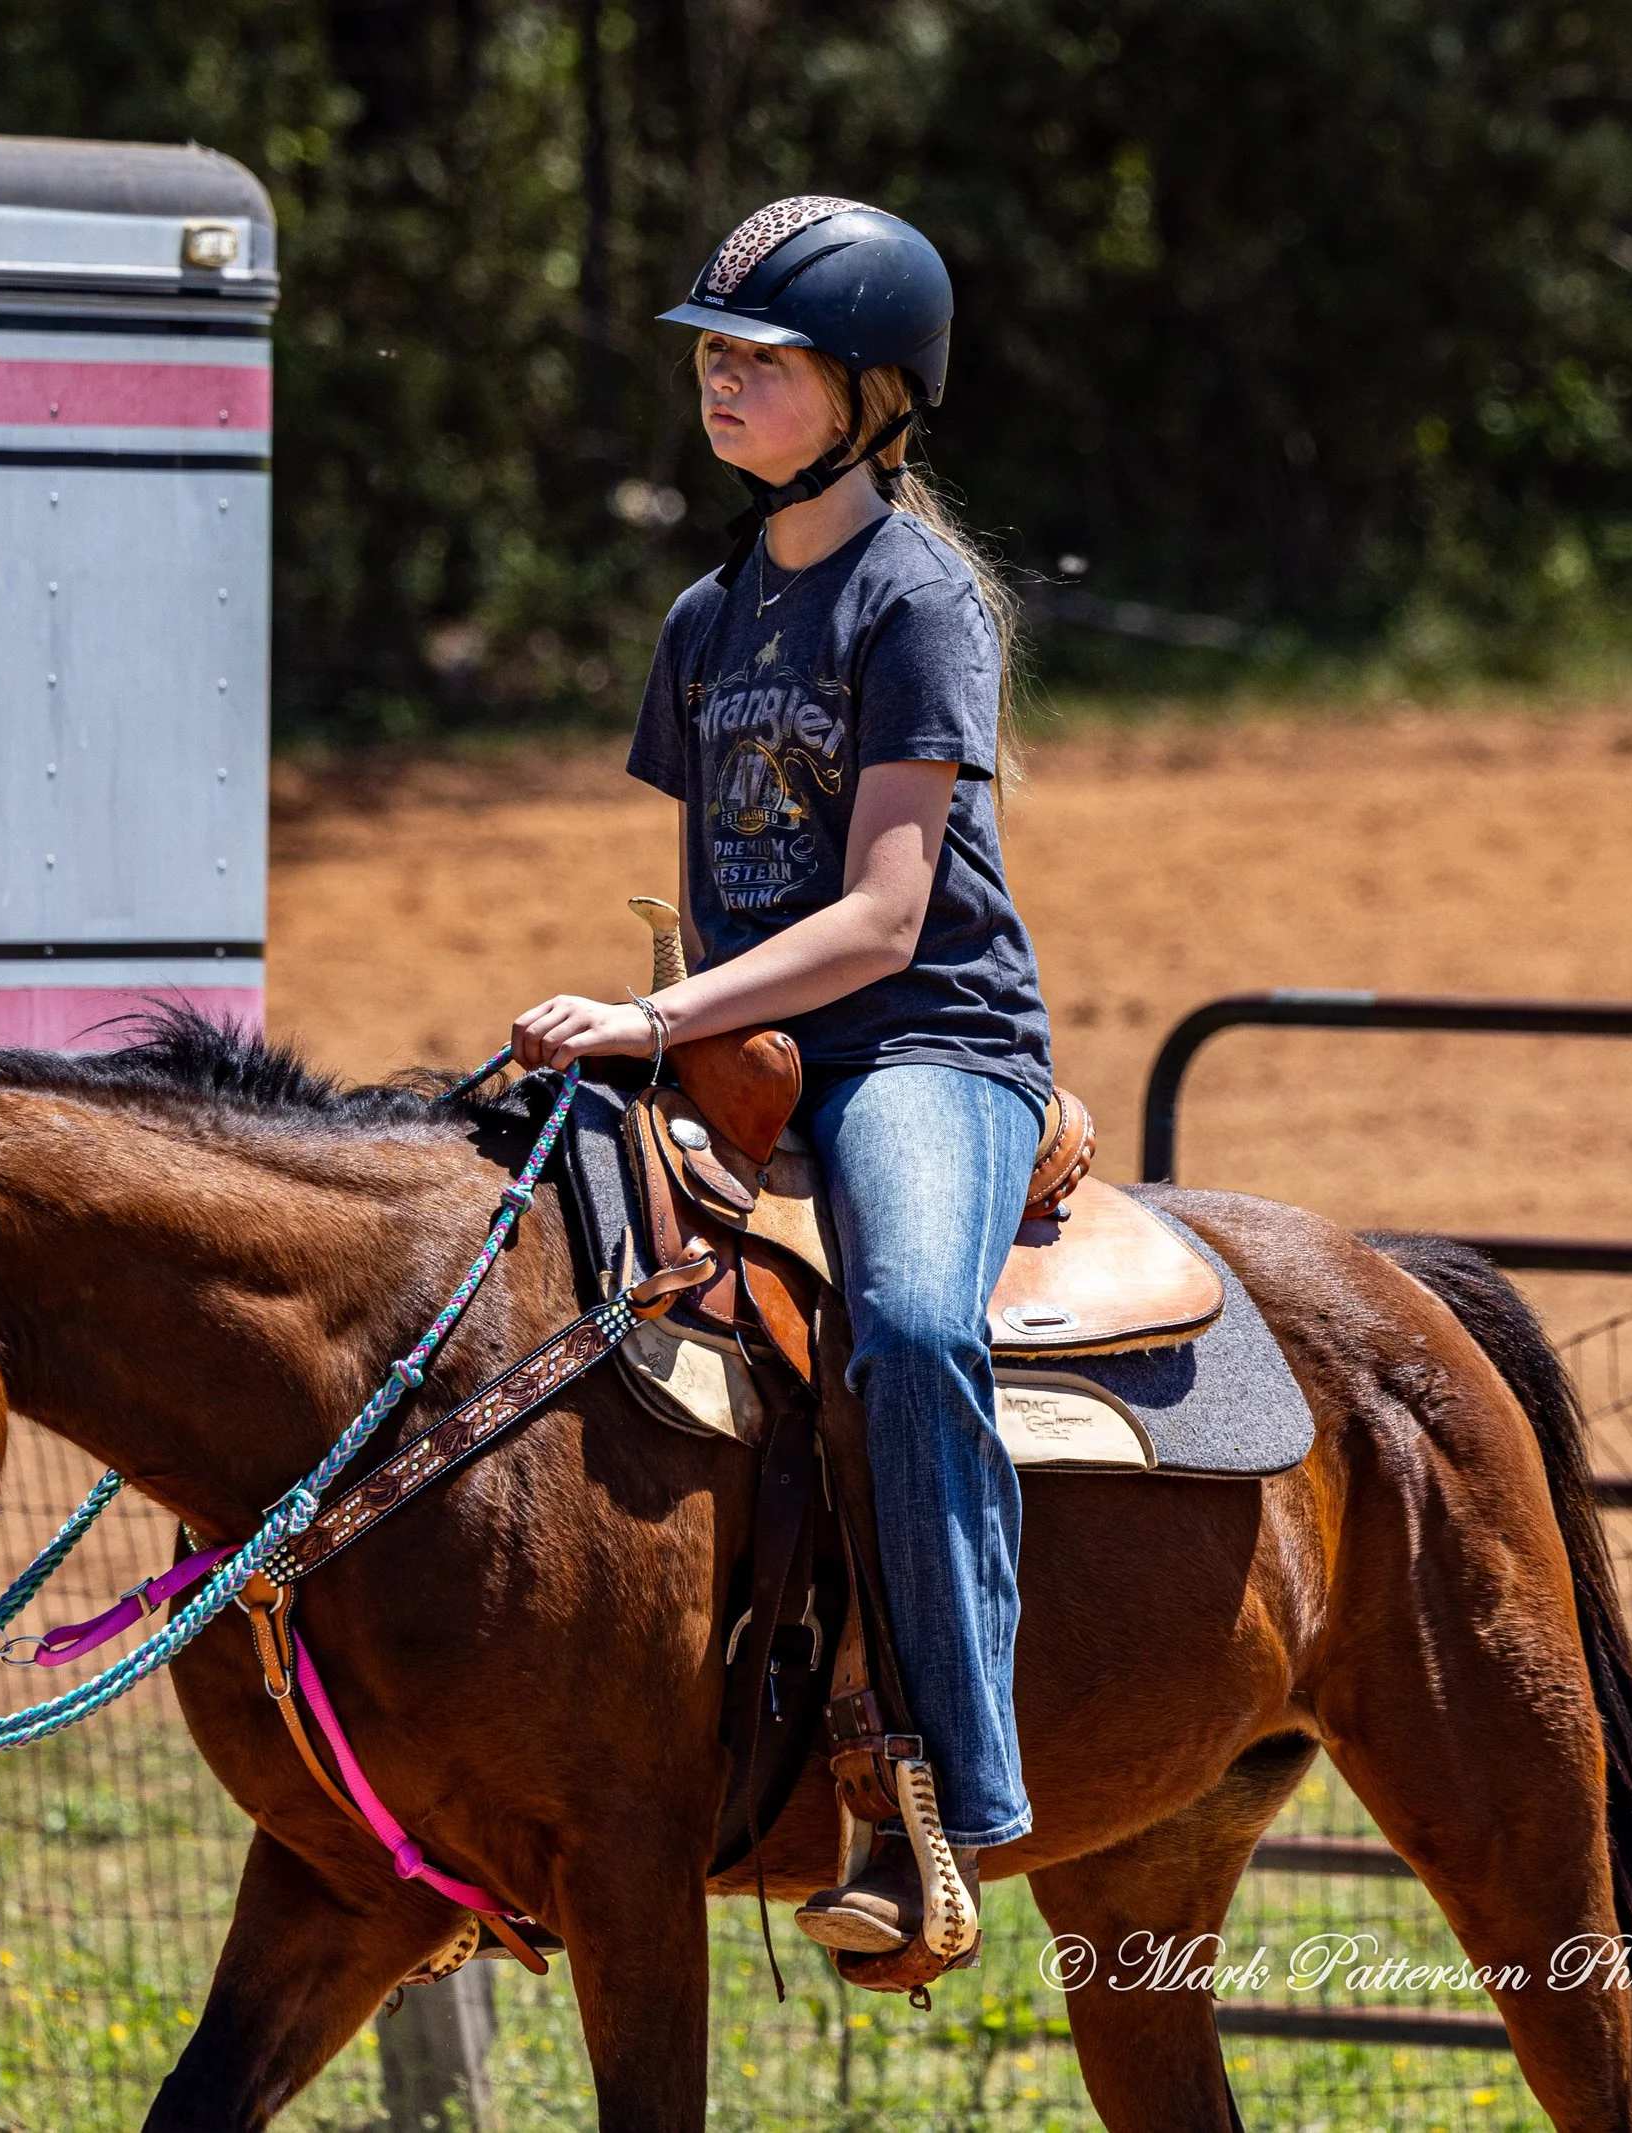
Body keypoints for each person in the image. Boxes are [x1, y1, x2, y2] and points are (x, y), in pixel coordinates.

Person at [508, 197, 1051, 1956]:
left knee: (904, 1334)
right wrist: (663, 1029)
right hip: (739, 1051)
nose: (720, 381)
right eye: (710, 355)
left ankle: (957, 1800)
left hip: (920, 1044)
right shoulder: (705, 616)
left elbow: (888, 915)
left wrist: (650, 1030)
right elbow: (717, 895)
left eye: (762, 359)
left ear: (874, 394)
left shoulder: (922, 600)